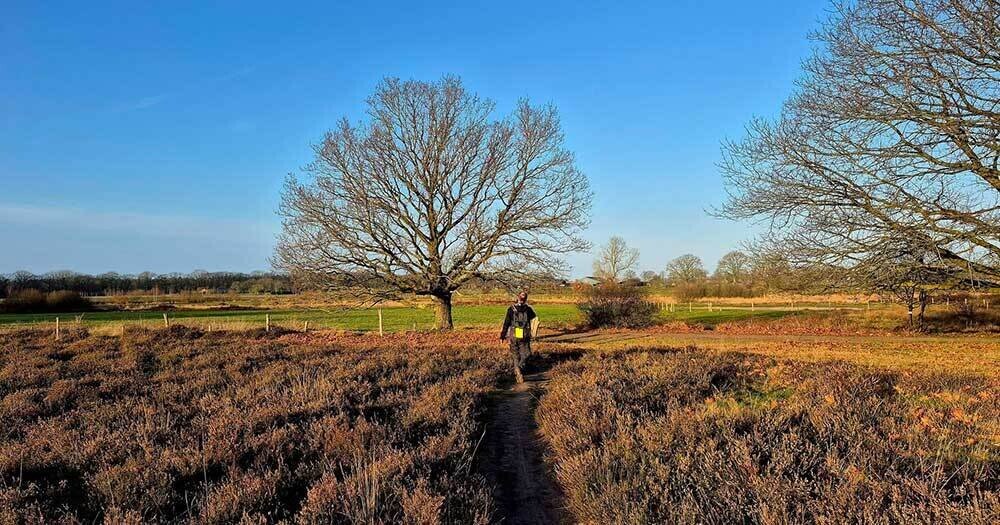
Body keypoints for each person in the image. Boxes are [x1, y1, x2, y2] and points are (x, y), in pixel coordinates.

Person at [500, 291, 537, 383]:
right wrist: (534, 332)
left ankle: (518, 371)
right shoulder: (529, 309)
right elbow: (535, 320)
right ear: (526, 299)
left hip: (514, 333)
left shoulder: (511, 309)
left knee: (515, 355)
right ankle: (519, 369)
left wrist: (502, 336)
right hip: (524, 334)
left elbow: (506, 323)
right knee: (527, 354)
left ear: (517, 298)